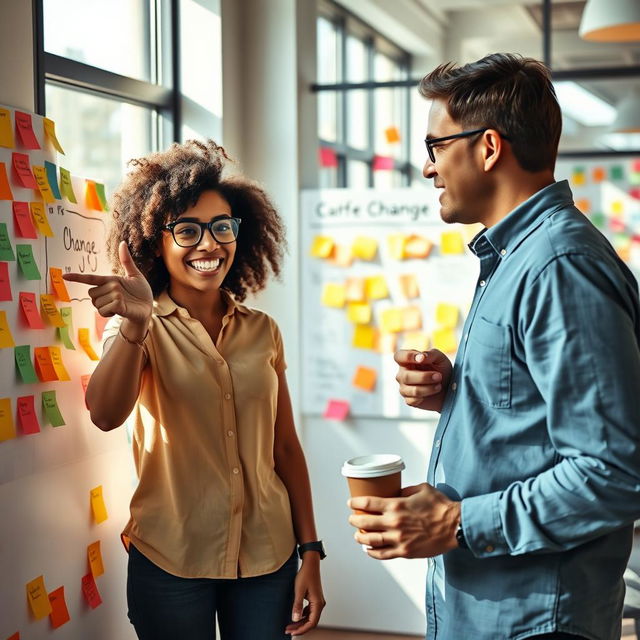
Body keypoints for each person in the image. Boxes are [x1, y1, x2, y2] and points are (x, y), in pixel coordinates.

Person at [347, 53, 640, 640]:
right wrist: (459, 391)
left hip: (535, 619)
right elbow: (541, 418)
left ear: (487, 147)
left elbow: (612, 473)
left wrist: (456, 521)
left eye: (435, 147)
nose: (428, 168)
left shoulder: (558, 264)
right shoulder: (515, 257)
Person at [64, 140, 325, 640]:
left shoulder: (262, 330)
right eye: (187, 230)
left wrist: (310, 551)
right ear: (154, 243)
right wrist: (138, 325)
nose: (209, 245)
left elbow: (286, 447)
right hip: (171, 558)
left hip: (268, 556)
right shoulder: (137, 326)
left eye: (222, 227)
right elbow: (103, 413)